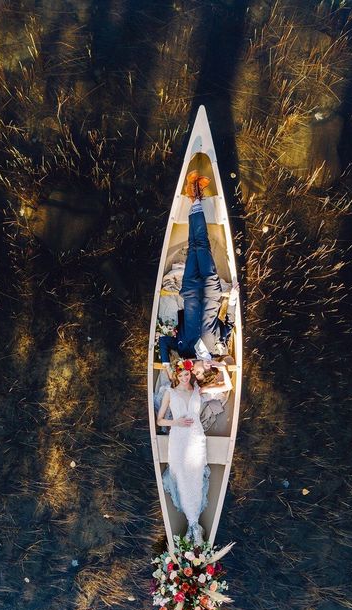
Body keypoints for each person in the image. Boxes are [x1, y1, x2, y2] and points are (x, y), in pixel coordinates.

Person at [158, 171, 239, 374]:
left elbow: (163, 342)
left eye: (196, 372)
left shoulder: (183, 348)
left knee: (194, 245)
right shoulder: (215, 348)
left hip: (191, 289)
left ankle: (194, 194)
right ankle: (195, 197)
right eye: (202, 371)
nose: (199, 369)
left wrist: (168, 366)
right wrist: (233, 300)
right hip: (212, 288)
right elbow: (229, 322)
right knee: (202, 246)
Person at [156, 360, 209, 544]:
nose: (185, 378)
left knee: (195, 478)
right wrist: (175, 423)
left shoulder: (196, 390)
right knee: (182, 478)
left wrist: (217, 366)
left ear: (190, 373)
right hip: (178, 439)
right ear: (176, 377)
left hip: (196, 438)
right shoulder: (170, 393)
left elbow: (224, 385)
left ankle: (193, 525)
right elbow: (160, 420)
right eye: (181, 376)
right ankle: (194, 525)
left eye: (187, 374)